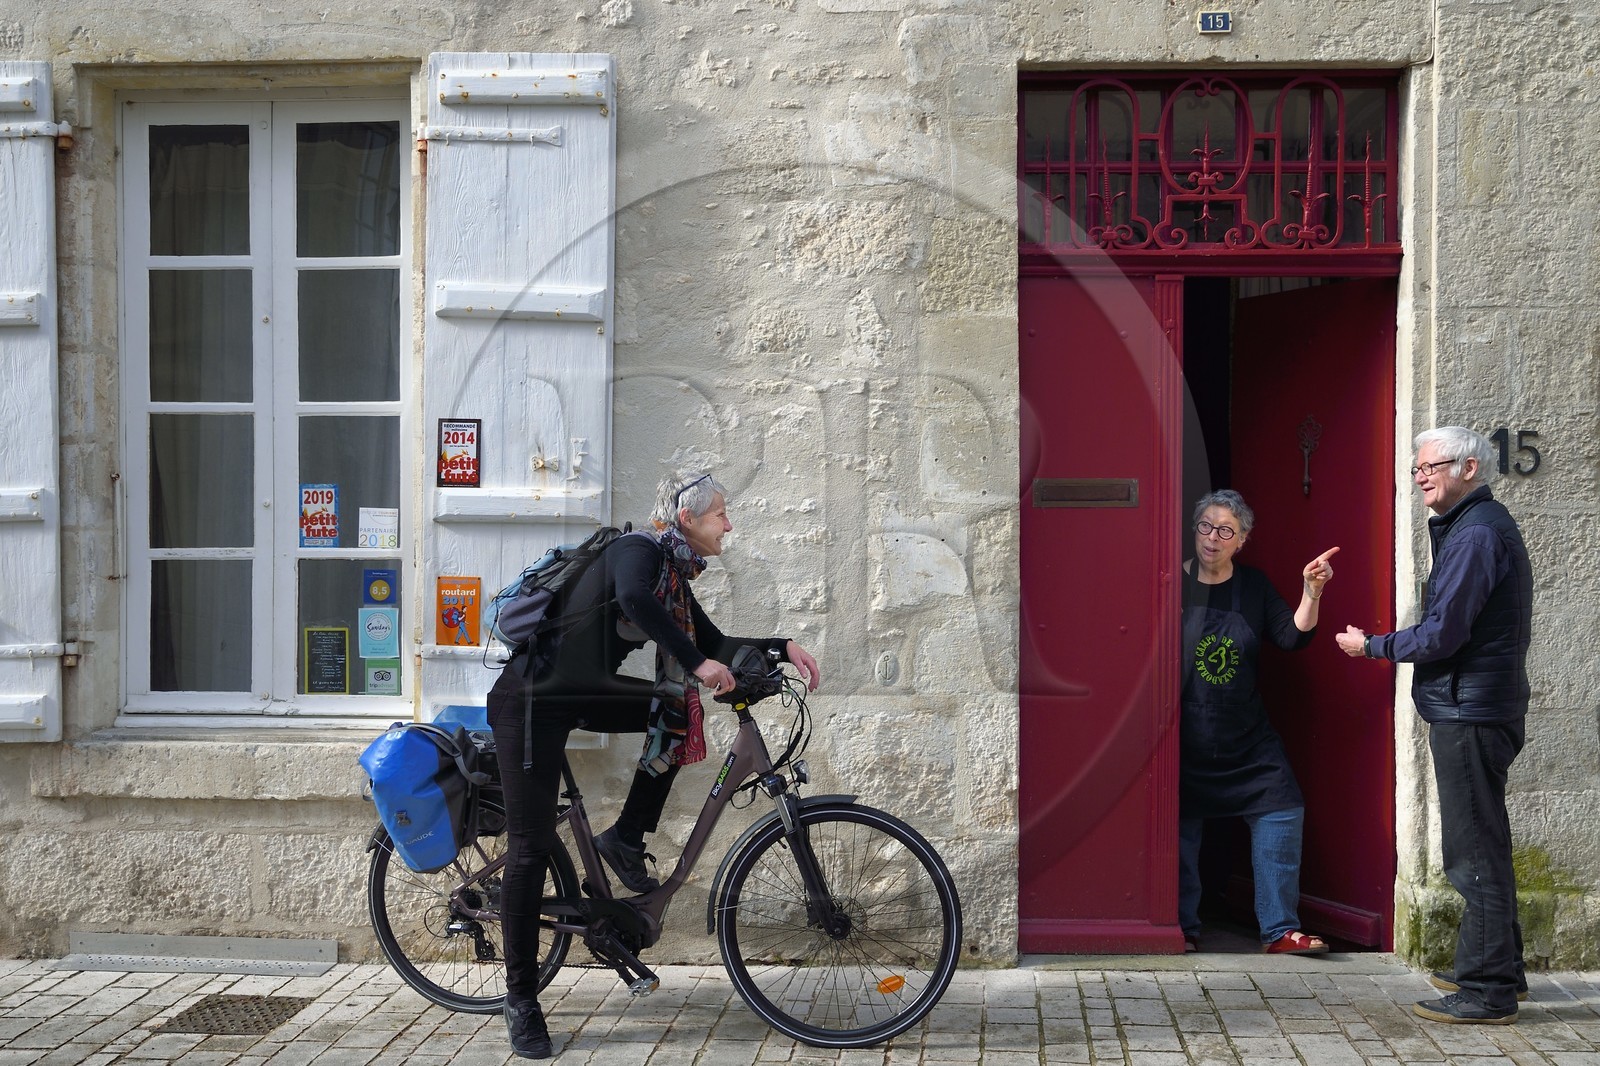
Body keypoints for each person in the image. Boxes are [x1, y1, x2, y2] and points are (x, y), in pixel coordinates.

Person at [485, 472, 821, 1058]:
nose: (728, 525)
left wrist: (780, 647)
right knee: (530, 849)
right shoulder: (637, 551)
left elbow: (713, 643)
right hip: (531, 702)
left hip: (580, 694)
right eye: (720, 514)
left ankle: (624, 838)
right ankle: (521, 1000)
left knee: (675, 709)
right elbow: (636, 601)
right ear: (687, 518)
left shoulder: (672, 577)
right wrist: (698, 665)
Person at [1335, 427, 1532, 1025]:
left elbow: (1444, 633)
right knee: (1484, 843)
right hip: (1476, 706)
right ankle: (1501, 969)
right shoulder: (1475, 526)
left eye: (1431, 466)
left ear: (1469, 468)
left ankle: (1487, 990)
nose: (1420, 476)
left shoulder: (1476, 534)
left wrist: (1374, 646)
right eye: (1416, 468)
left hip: (1471, 711)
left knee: (1473, 855)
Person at [1178, 489, 1339, 956]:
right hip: (1184, 736)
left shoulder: (1253, 586)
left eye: (1225, 531)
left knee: (1282, 807)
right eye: (1206, 526)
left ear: (1242, 539)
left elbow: (1292, 637)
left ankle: (1279, 930)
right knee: (1177, 828)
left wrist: (1311, 591)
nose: (1212, 538)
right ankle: (1180, 926)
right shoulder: (1170, 582)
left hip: (1246, 737)